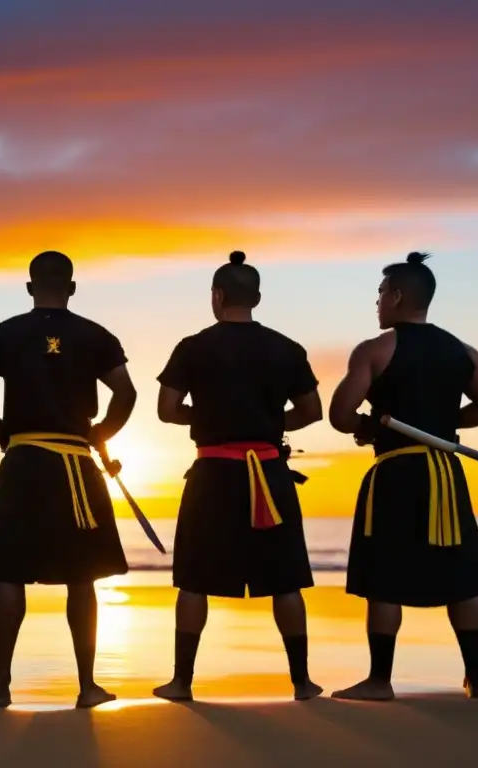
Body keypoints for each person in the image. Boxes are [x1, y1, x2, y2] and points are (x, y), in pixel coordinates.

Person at [0, 250, 136, 709]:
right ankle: (88, 687)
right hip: (76, 464)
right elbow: (126, 392)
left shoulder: (5, 333)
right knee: (83, 576)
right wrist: (102, 433)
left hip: (23, 463)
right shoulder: (95, 335)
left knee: (10, 573)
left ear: (30, 287)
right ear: (71, 288)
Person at [329, 252, 478, 701]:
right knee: (460, 572)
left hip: (397, 472)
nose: (378, 302)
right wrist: (445, 427)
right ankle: (476, 680)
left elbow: (340, 415)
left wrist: (367, 429)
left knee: (385, 575)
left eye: (382, 293)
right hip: (445, 471)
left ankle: (379, 681)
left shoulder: (374, 350)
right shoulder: (463, 351)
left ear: (399, 296)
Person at [152, 251, 323, 702]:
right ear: (258, 298)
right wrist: (267, 423)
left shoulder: (193, 347)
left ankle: (182, 683)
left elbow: (166, 410)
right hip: (269, 472)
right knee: (285, 580)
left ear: (218, 295)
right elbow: (312, 411)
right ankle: (302, 682)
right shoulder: (287, 348)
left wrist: (206, 417)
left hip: (213, 475)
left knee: (194, 580)